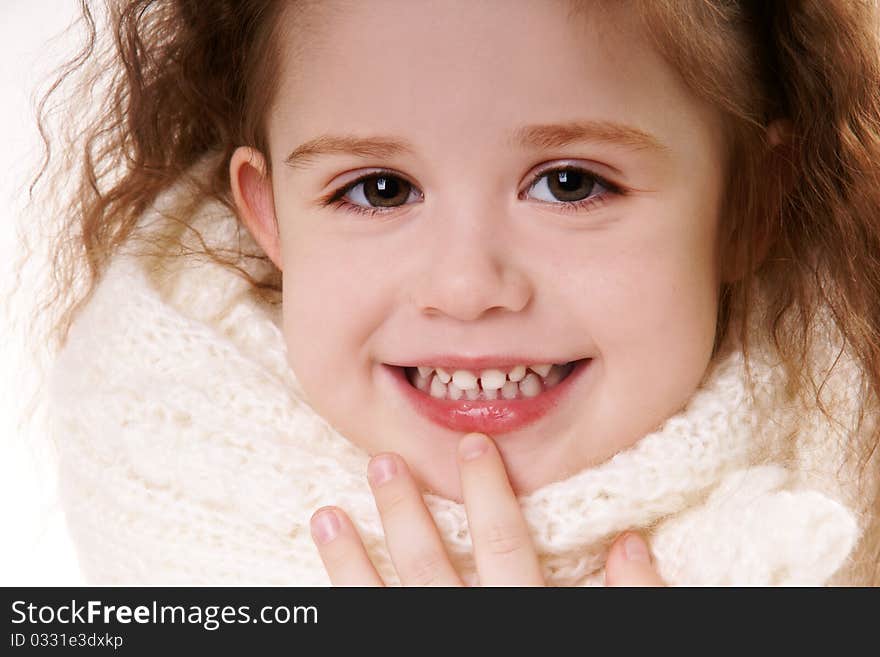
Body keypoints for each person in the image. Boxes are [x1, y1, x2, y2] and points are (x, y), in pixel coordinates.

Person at [27, 0, 880, 585]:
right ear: (269, 216)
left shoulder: (851, 489)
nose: (467, 287)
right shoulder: (160, 497)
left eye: (572, 183)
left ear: (747, 206)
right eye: (380, 190)